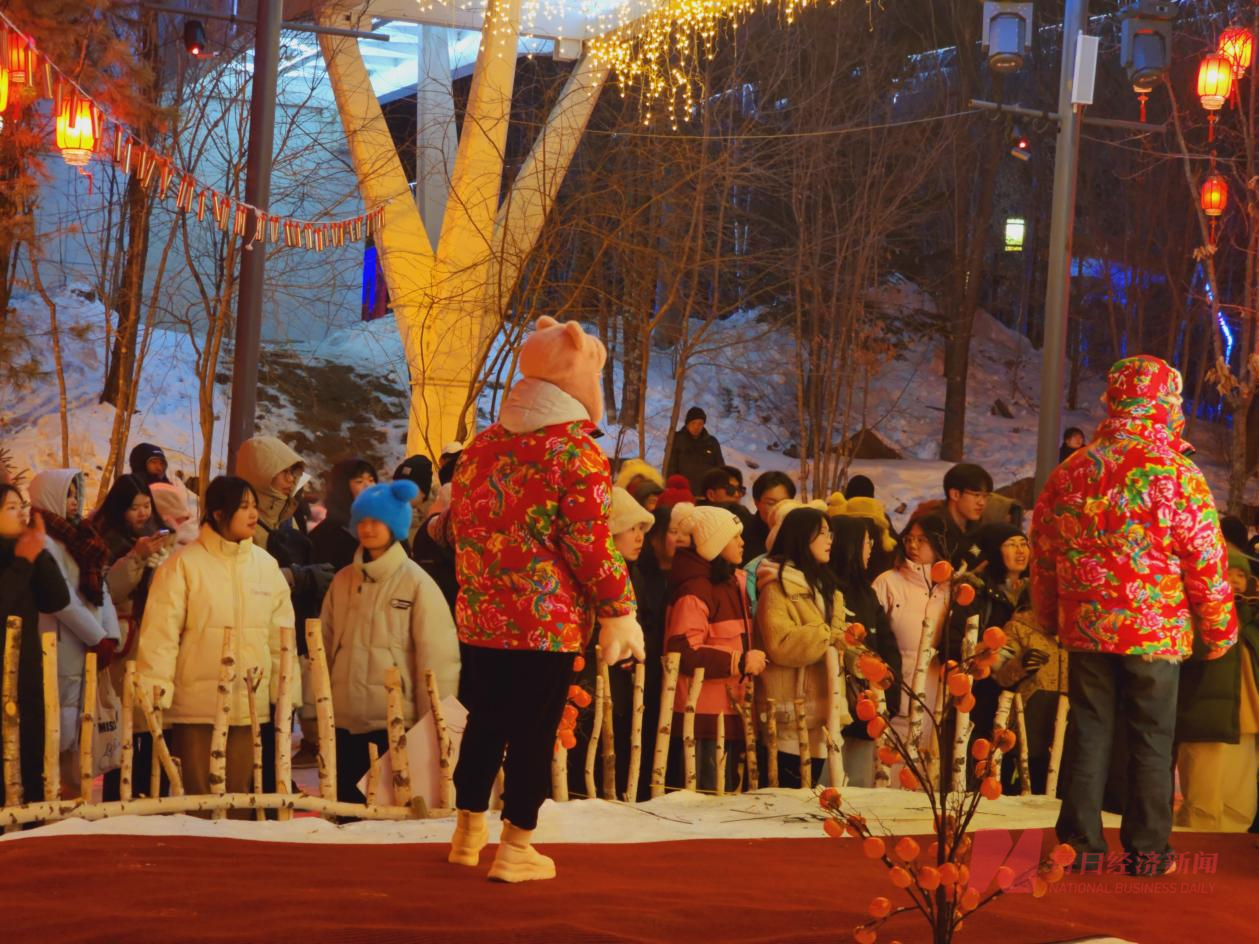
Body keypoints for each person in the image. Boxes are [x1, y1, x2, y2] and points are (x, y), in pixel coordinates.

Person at [447, 316, 641, 883]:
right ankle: (516, 847)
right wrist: (617, 607)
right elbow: (587, 542)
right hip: (544, 621)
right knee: (533, 732)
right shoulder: (576, 453)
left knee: (484, 722)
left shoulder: (482, 447)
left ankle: (466, 835)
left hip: (482, 617)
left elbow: (462, 527)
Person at [1032, 355, 1237, 874]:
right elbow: (1206, 561)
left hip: (1088, 628)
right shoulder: (1177, 474)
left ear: (1115, 400)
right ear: (1165, 404)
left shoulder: (1072, 471)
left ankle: (1078, 846)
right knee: (1152, 736)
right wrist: (1218, 630)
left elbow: (1045, 552)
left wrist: (1050, 616)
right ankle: (1147, 852)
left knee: (1089, 730)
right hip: (1155, 631)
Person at [136, 476, 297, 814]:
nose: (253, 514)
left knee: (239, 799)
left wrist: (285, 691)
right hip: (196, 707)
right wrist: (155, 692)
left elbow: (279, 638)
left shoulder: (266, 567)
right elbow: (160, 636)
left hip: (248, 707)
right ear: (219, 514)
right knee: (197, 799)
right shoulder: (183, 566)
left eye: (254, 506)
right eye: (244, 507)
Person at [320, 480, 459, 805]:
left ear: (394, 525)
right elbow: (323, 649)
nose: (368, 529)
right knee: (345, 817)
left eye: (378, 521)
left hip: (396, 726)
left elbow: (438, 659)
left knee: (389, 825)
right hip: (343, 721)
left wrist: (436, 726)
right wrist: (315, 713)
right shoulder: (341, 582)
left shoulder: (417, 584)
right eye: (363, 521)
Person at [236, 435, 334, 778]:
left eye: (293, 474)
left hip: (284, 622)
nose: (290, 481)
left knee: (282, 703)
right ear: (263, 472)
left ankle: (276, 775)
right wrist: (296, 576)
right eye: (284, 473)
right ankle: (256, 777)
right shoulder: (245, 518)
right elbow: (241, 573)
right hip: (253, 627)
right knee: (258, 705)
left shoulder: (286, 515)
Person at [28, 469, 121, 794]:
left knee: (81, 720)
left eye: (76, 494)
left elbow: (102, 587)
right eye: (67, 494)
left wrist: (109, 634)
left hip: (87, 645)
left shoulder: (83, 537)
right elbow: (61, 599)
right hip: (60, 642)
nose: (73, 502)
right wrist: (96, 635)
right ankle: (56, 796)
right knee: (61, 721)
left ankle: (75, 794)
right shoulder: (42, 541)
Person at [665, 505, 762, 792]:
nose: (742, 543)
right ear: (716, 545)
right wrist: (739, 662)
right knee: (708, 797)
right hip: (704, 717)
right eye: (734, 537)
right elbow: (683, 650)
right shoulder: (696, 589)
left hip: (730, 711)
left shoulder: (733, 583)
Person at [90, 475, 173, 802]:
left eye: (146, 505)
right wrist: (136, 558)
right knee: (126, 726)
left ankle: (153, 794)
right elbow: (109, 590)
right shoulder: (105, 540)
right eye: (134, 508)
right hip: (126, 644)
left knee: (154, 725)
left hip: (155, 638)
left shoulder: (162, 534)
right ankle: (119, 797)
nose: (142, 513)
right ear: (119, 509)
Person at [754, 508, 849, 788]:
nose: (829, 540)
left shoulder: (828, 587)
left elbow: (838, 637)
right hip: (790, 716)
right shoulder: (776, 587)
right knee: (788, 799)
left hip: (825, 712)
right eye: (821, 533)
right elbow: (780, 644)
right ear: (800, 538)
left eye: (829, 533)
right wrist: (825, 635)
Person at [1173, 547, 1259, 831]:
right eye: (1228, 573)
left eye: (1240, 575)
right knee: (1202, 799)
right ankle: (1195, 859)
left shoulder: (1252, 620)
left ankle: (1226, 857)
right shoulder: (1193, 612)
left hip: (1245, 721)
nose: (1235, 580)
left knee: (1240, 801)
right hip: (1204, 718)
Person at [0, 485, 70, 806]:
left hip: (27, 671)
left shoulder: (25, 550)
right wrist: (23, 562)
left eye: (21, 505)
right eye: (11, 507)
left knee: (30, 753)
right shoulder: (15, 558)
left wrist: (39, 552)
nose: (21, 513)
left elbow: (57, 598)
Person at [871, 514, 950, 766]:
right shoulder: (887, 582)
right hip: (897, 696)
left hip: (937, 702)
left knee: (929, 776)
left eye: (921, 540)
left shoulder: (953, 589)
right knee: (891, 774)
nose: (913, 546)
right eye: (909, 538)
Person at [829, 515, 901, 787]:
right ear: (849, 546)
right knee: (832, 783)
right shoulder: (829, 590)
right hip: (838, 709)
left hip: (869, 709)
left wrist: (888, 697)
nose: (871, 549)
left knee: (860, 785)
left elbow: (887, 644)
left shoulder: (867, 594)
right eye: (866, 542)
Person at [604, 487, 656, 799]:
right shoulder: (608, 575)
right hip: (604, 681)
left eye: (642, 530)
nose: (639, 538)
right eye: (631, 529)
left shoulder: (635, 573)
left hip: (629, 683)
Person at [309, 457, 378, 571]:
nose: (368, 487)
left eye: (371, 480)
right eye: (359, 481)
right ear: (342, 488)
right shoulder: (326, 535)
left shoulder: (385, 525)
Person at [940, 463, 993, 568]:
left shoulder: (975, 529)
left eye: (985, 496)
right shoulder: (934, 529)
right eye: (976, 495)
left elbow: (976, 552)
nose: (982, 503)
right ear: (955, 494)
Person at [666, 407, 725, 493]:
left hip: (707, 493)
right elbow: (671, 467)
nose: (696, 427)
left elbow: (720, 467)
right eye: (693, 423)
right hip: (683, 492)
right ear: (687, 423)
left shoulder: (712, 442)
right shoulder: (677, 439)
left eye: (700, 423)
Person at [743, 471, 795, 563]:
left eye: (784, 502)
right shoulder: (743, 535)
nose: (778, 508)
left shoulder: (797, 533)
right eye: (771, 503)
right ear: (757, 503)